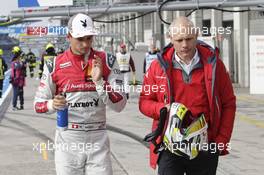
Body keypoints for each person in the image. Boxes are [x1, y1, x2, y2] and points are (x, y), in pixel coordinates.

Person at [139, 16, 236, 175]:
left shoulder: (214, 64)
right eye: (179, 40)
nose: (185, 45)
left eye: (189, 39)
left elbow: (228, 103)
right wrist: (163, 109)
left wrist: (221, 141)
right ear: (170, 38)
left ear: (197, 35)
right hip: (170, 145)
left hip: (205, 146)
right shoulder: (157, 67)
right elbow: (144, 102)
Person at [34, 13, 127, 175]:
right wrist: (52, 104)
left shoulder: (107, 61)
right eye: (80, 39)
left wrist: (99, 82)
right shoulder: (53, 64)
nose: (85, 44)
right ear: (69, 36)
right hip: (68, 140)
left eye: (89, 38)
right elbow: (37, 104)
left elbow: (120, 105)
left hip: (98, 138)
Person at [10, 46, 25, 110]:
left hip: (18, 80)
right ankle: (17, 106)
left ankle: (18, 105)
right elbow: (15, 72)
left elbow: (14, 72)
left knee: (18, 93)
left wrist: (12, 78)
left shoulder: (16, 62)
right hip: (18, 80)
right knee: (18, 93)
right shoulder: (19, 62)